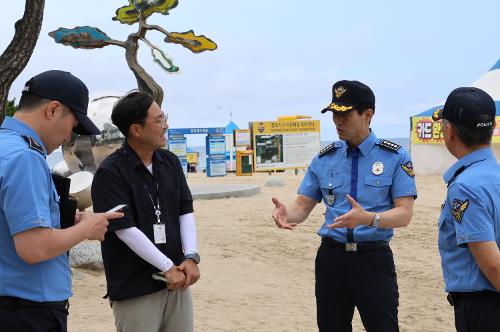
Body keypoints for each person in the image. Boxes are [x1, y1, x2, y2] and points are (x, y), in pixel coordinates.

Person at [272, 80, 417, 331]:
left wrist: (369, 218)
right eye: (334, 114)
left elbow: (404, 214)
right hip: (331, 259)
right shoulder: (324, 158)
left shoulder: (396, 157)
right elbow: (303, 206)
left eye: (345, 114)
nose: (337, 121)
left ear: (368, 114)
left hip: (373, 259)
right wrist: (287, 213)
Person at [0, 70, 123, 331]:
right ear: (53, 110)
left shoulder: (5, 146)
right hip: (27, 312)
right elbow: (34, 248)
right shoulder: (26, 158)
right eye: (73, 125)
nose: (69, 137)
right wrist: (86, 228)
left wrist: (63, 219)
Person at [91, 91, 200, 332]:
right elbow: (125, 230)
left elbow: (185, 210)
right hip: (135, 287)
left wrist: (191, 256)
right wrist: (167, 267)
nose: (166, 125)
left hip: (177, 283)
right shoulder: (110, 172)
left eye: (165, 117)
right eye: (159, 120)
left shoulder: (169, 162)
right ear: (136, 129)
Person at [433, 87, 500, 332]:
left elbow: (493, 266)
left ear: (448, 131)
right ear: (492, 128)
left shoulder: (465, 186)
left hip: (484, 309)